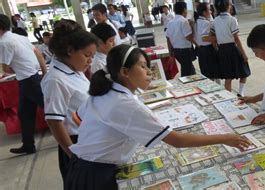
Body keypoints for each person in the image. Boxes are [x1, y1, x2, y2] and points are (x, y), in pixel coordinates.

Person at [64, 44, 250, 190]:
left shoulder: (106, 89)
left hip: (81, 167)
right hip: (95, 176)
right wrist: (226, 138)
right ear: (125, 72)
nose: (149, 73)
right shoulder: (125, 103)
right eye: (143, 67)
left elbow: (77, 119)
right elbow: (177, 141)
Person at [41, 19, 97, 180]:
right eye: (87, 55)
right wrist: (74, 156)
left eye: (92, 56)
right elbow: (54, 122)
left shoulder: (74, 70)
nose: (90, 60)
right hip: (76, 143)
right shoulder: (55, 80)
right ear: (70, 50)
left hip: (89, 137)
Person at [0, 14, 47, 154]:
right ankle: (28, 144)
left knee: (52, 109)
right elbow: (38, 53)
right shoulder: (19, 37)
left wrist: (19, 68)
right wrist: (44, 72)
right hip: (30, 78)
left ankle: (78, 133)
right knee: (25, 113)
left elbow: (6, 68)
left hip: (28, 80)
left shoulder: (4, 42)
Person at [211, 0, 250, 96]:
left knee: (228, 77)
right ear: (229, 6)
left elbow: (212, 37)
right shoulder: (232, 20)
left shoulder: (215, 20)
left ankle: (229, 98)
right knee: (244, 71)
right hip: (232, 49)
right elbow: (236, 38)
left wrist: (217, 49)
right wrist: (244, 54)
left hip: (222, 50)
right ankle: (241, 93)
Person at [166, 2, 197, 77]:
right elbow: (188, 37)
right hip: (185, 51)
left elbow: (168, 39)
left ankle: (189, 85)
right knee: (187, 72)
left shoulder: (170, 22)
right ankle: (186, 86)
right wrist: (192, 27)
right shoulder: (184, 21)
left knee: (189, 70)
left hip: (176, 51)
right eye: (186, 9)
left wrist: (171, 53)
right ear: (184, 9)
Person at [195, 3, 219, 81]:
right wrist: (219, 37)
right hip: (208, 51)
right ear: (204, 12)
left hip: (201, 50)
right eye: (209, 10)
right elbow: (204, 38)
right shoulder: (205, 23)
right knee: (211, 74)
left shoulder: (198, 21)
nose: (211, 11)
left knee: (206, 74)